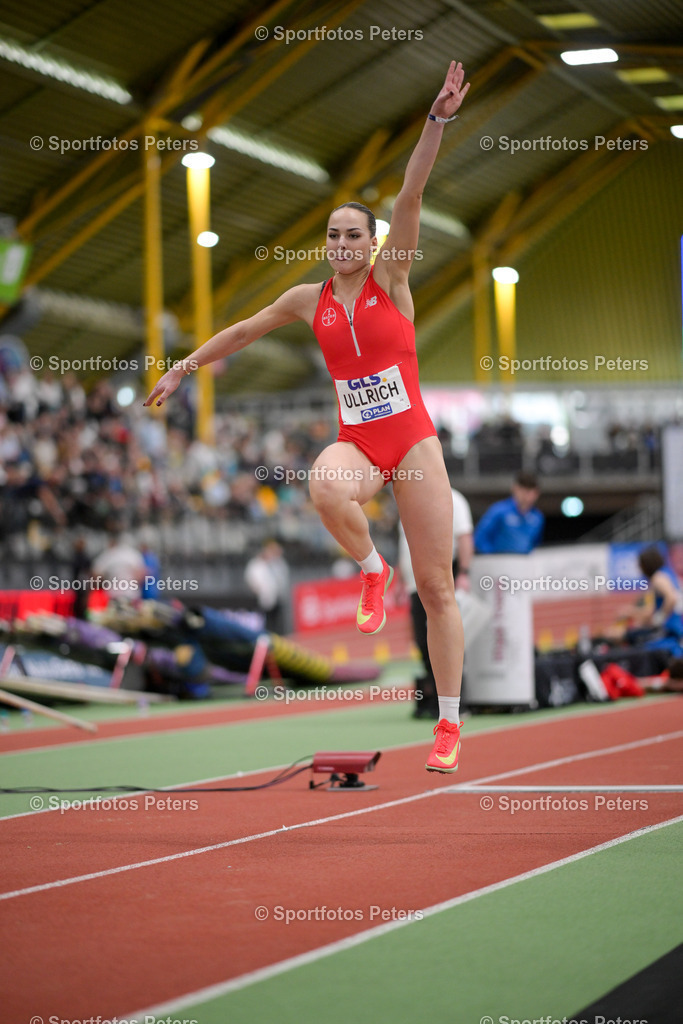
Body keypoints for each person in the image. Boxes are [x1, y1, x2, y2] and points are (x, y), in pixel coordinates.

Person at [145, 61, 471, 774]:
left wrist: (436, 120)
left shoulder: (393, 276)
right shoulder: (304, 298)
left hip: (412, 444)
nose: (343, 245)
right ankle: (368, 568)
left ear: (373, 242)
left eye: (355, 235)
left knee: (440, 589)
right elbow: (240, 332)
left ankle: (447, 722)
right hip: (359, 444)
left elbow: (412, 190)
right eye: (334, 235)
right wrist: (184, 365)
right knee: (323, 486)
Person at [398, 488, 473, 719]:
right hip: (414, 584)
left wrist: (464, 572)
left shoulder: (452, 498)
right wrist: (402, 581)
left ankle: (458, 702)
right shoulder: (407, 497)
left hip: (439, 581)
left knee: (448, 640)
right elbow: (404, 544)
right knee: (423, 642)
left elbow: (464, 537)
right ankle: (436, 700)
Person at [474, 471, 544, 554]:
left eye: (530, 492)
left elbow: (535, 543)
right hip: (500, 561)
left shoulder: (537, 517)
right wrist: (492, 555)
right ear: (515, 489)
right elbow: (479, 538)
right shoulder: (499, 511)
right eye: (523, 491)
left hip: (524, 563)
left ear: (537, 493)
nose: (526, 497)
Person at [244, 539, 291, 634]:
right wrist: (257, 590)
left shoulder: (277, 563)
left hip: (277, 598)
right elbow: (251, 579)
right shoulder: (256, 564)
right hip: (262, 599)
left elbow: (283, 577)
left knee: (278, 623)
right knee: (265, 622)